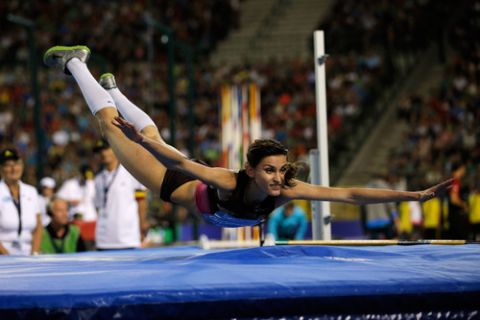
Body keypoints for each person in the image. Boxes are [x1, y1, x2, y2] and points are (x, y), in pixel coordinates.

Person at [43, 45, 452, 228]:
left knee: (150, 130)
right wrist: (143, 143)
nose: (277, 178)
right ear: (250, 170)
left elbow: (349, 196)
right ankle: (76, 63)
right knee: (115, 130)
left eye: (281, 171)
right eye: (270, 171)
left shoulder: (286, 190)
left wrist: (410, 196)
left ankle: (113, 90)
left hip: (186, 174)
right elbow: (181, 165)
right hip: (175, 183)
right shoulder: (228, 179)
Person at [93, 138, 147, 250]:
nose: (103, 153)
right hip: (103, 239)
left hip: (127, 238)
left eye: (106, 149)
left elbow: (141, 201)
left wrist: (142, 226)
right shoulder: (98, 179)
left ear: (115, 149)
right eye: (100, 151)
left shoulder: (131, 172)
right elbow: (98, 208)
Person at [0, 148, 42, 255]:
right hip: (4, 254)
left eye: (17, 164)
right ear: (1, 169)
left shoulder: (31, 192)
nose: (14, 169)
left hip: (29, 253)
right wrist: (7, 256)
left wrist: (35, 253)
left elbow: (38, 226)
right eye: (8, 165)